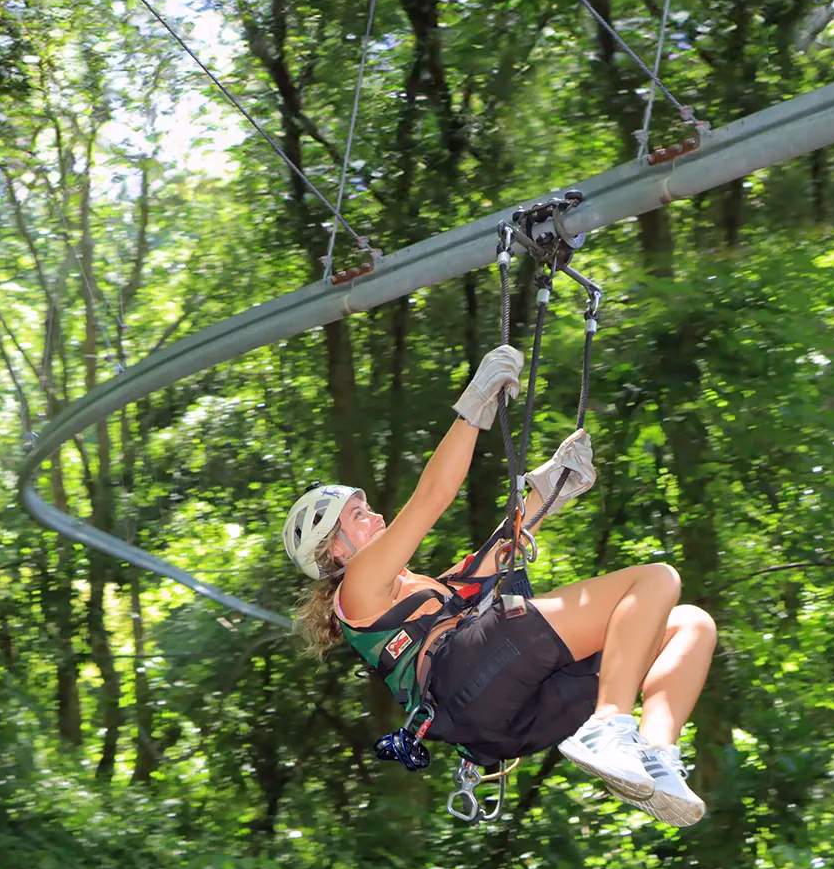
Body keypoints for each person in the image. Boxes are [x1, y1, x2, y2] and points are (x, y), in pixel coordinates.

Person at [284, 346, 716, 826]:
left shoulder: (417, 592)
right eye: (359, 516)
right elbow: (432, 498)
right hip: (469, 677)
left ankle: (655, 754)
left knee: (690, 625)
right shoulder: (357, 586)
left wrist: (550, 491)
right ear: (335, 549)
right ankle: (608, 725)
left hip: (504, 722)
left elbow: (495, 557)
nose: (377, 516)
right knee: (656, 579)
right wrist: (473, 409)